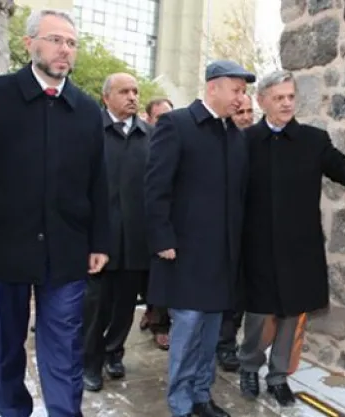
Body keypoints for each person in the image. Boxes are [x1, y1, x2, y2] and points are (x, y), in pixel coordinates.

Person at [0, 9, 109, 416]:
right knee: (4, 347)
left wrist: (99, 241)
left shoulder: (87, 110)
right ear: (28, 43)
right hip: (2, 250)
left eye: (71, 43)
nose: (64, 49)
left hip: (66, 251)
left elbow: (98, 183)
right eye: (55, 39)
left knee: (65, 347)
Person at [238, 70, 345, 406]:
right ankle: (249, 366)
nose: (287, 103)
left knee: (292, 314)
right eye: (279, 98)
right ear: (262, 101)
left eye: (291, 97)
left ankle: (278, 376)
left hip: (299, 246)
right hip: (255, 245)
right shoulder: (244, 141)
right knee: (258, 314)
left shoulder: (313, 140)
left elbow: (342, 166)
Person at [144, 59, 255, 417]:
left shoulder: (235, 136)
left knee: (210, 333)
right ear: (212, 87)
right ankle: (180, 404)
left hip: (222, 257)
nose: (241, 97)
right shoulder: (176, 124)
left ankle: (201, 397)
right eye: (236, 90)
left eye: (243, 91)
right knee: (188, 330)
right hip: (186, 254)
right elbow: (155, 187)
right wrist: (162, 238)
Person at [82, 73, 152, 392]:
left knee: (125, 305)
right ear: (106, 97)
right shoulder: (89, 132)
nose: (132, 97)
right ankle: (90, 362)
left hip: (137, 238)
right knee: (95, 307)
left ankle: (114, 352)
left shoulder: (149, 135)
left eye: (135, 91)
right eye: (124, 91)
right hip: (99, 239)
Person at [216, 93, 254, 372]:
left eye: (250, 112)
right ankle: (224, 344)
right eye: (240, 113)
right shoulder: (222, 145)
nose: (246, 118)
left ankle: (230, 341)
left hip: (250, 231)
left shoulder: (258, 143)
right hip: (222, 231)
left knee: (240, 293)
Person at [138, 96, 174, 350]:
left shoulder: (177, 140)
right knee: (144, 277)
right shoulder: (142, 141)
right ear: (149, 119)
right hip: (139, 221)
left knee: (161, 275)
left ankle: (160, 325)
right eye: (160, 117)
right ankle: (150, 313)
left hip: (165, 221)